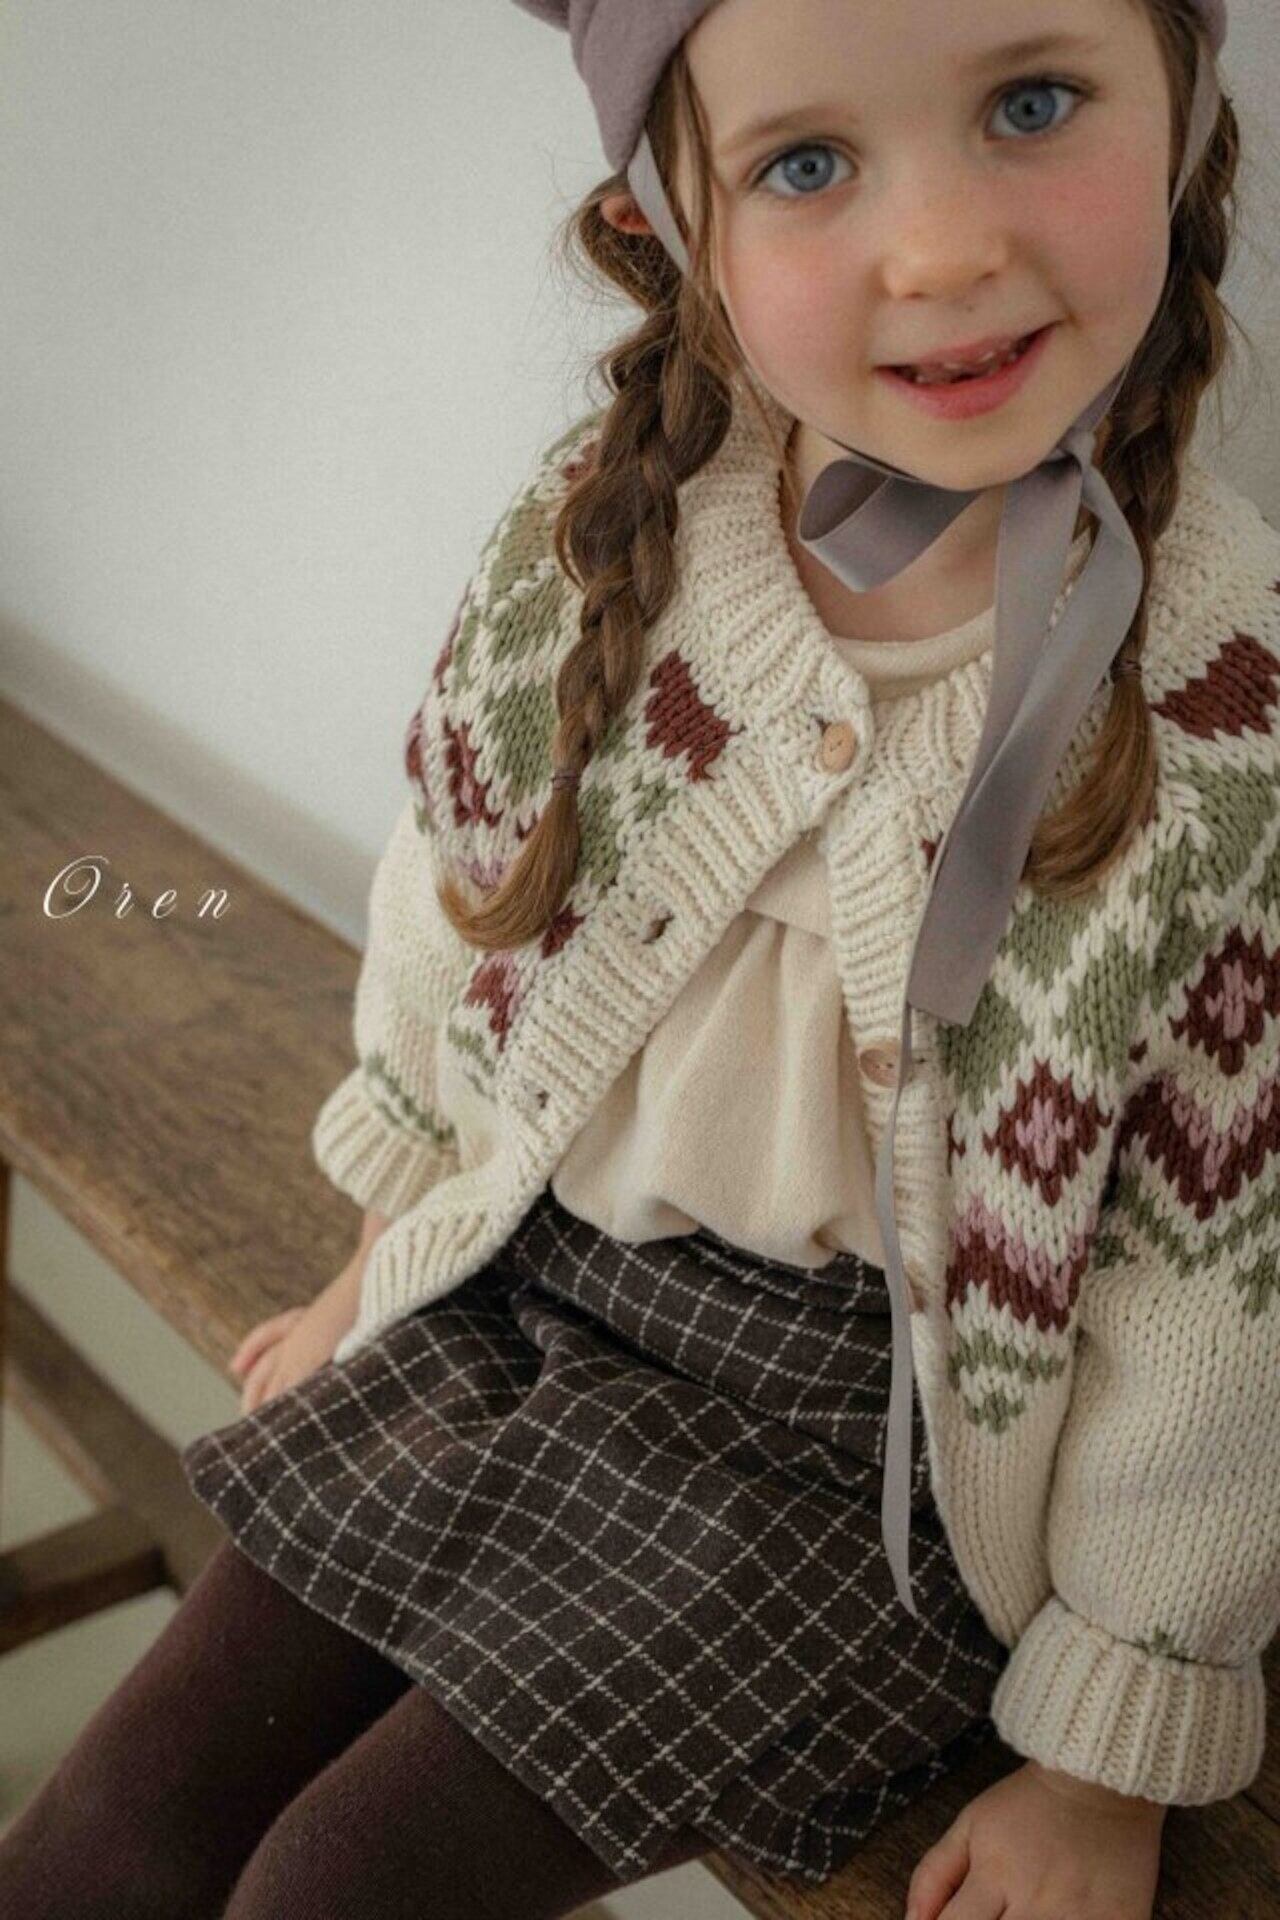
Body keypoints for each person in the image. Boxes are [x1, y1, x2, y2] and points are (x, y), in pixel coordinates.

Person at [4, 2, 1276, 1917]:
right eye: (807, 163)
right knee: (108, 1835)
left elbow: (1223, 1296)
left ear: (1184, 107)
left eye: (1034, 101)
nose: (944, 249)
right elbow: (453, 902)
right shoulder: (608, 530)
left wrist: (1107, 1764)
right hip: (520, 1290)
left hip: (862, 1460)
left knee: (337, 1888)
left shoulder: (1224, 711)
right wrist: (382, 1252)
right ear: (666, 225)